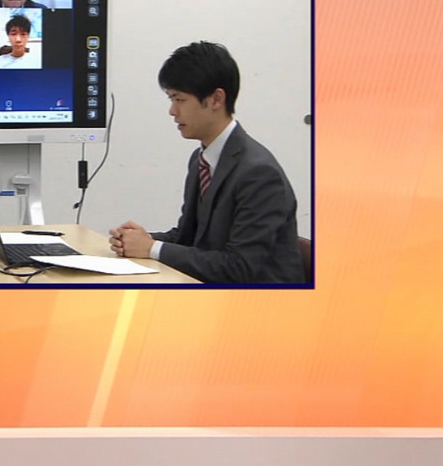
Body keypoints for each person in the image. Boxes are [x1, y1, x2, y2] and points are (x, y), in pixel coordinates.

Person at [109, 41, 305, 284]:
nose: (172, 111)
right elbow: (188, 237)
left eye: (179, 99)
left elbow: (239, 268)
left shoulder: (258, 173)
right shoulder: (201, 159)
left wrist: (151, 248)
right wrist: (137, 240)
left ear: (216, 99)